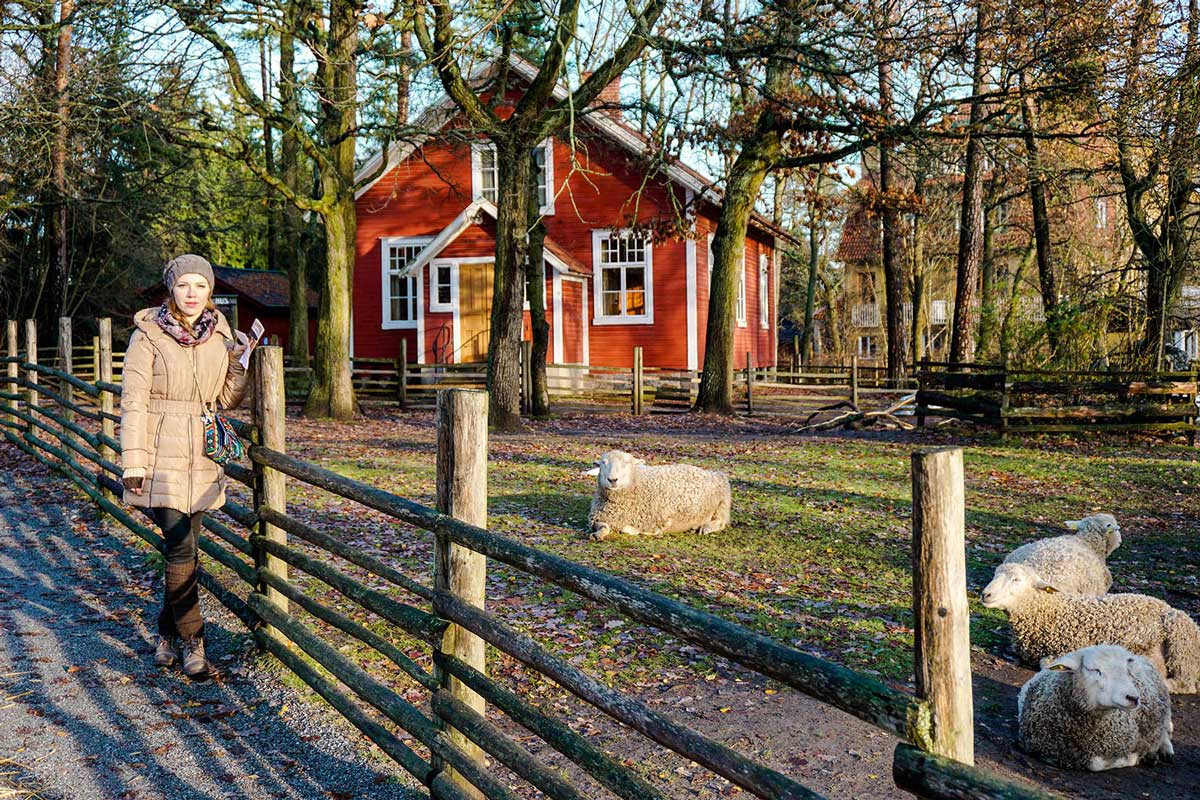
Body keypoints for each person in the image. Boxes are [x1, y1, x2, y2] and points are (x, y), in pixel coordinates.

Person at [119, 254, 250, 679]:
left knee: (186, 553)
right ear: (170, 290)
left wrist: (238, 363)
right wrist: (133, 461)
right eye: (183, 286)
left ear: (210, 291)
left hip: (202, 454)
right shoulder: (148, 336)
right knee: (180, 547)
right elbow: (133, 402)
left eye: (200, 286)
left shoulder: (219, 336)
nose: (192, 294)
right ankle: (195, 641)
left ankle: (165, 634)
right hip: (161, 456)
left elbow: (227, 400)